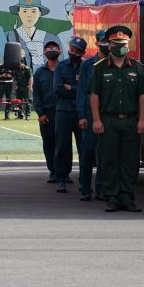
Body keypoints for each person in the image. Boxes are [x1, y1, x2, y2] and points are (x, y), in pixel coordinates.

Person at [88, 25, 144, 212]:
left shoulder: (137, 68)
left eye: (123, 44)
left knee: (130, 161)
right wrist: (96, 120)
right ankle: (112, 197)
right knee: (109, 160)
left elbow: (143, 95)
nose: (119, 47)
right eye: (116, 43)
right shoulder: (99, 69)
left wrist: (142, 120)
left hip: (131, 121)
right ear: (109, 44)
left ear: (128, 45)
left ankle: (127, 197)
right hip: (108, 121)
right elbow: (94, 95)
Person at [76, 30, 109, 201]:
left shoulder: (113, 63)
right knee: (87, 152)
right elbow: (82, 91)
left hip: (107, 114)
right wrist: (81, 115)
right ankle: (85, 188)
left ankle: (101, 188)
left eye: (107, 41)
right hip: (89, 114)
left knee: (103, 154)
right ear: (96, 43)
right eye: (102, 41)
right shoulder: (88, 65)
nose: (105, 44)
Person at [53, 36, 87, 193]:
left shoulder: (85, 66)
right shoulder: (61, 66)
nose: (73, 52)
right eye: (72, 49)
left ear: (82, 52)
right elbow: (58, 88)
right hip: (63, 112)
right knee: (62, 146)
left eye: (77, 50)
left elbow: (86, 90)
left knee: (84, 148)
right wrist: (76, 89)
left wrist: (71, 88)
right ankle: (61, 178)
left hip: (80, 113)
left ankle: (84, 181)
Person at [6, 0, 61, 70]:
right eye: (25, 11)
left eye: (33, 11)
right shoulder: (9, 36)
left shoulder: (51, 38)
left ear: (40, 13)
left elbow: (60, 64)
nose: (29, 15)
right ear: (19, 13)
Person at [33, 40, 60, 183]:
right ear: (44, 53)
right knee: (48, 143)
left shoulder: (64, 69)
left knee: (62, 144)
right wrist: (40, 113)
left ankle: (64, 173)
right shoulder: (39, 72)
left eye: (54, 48)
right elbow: (36, 95)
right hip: (47, 114)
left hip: (63, 112)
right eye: (48, 48)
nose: (51, 50)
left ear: (60, 51)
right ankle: (53, 172)